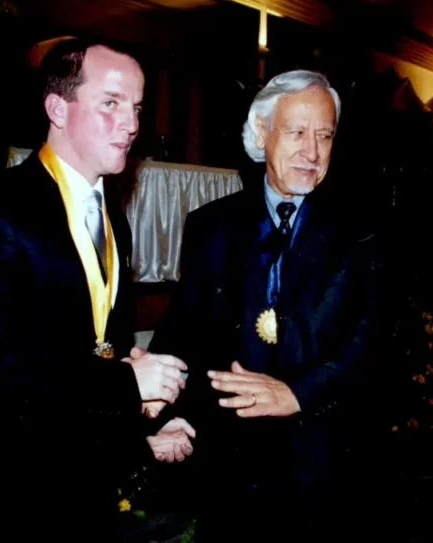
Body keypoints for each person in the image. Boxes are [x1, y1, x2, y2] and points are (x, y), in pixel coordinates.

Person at [0, 39, 194, 542]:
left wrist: (143, 428)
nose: (130, 124)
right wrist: (130, 388)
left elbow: (94, 354)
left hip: (76, 493)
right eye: (110, 103)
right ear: (57, 108)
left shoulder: (113, 220)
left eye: (137, 107)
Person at [145, 70, 384, 540]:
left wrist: (297, 393)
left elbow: (371, 341)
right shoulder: (210, 226)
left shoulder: (364, 231)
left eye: (324, 135)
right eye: (297, 132)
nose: (312, 152)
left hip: (324, 470)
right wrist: (164, 410)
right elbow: (182, 331)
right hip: (229, 470)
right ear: (261, 132)